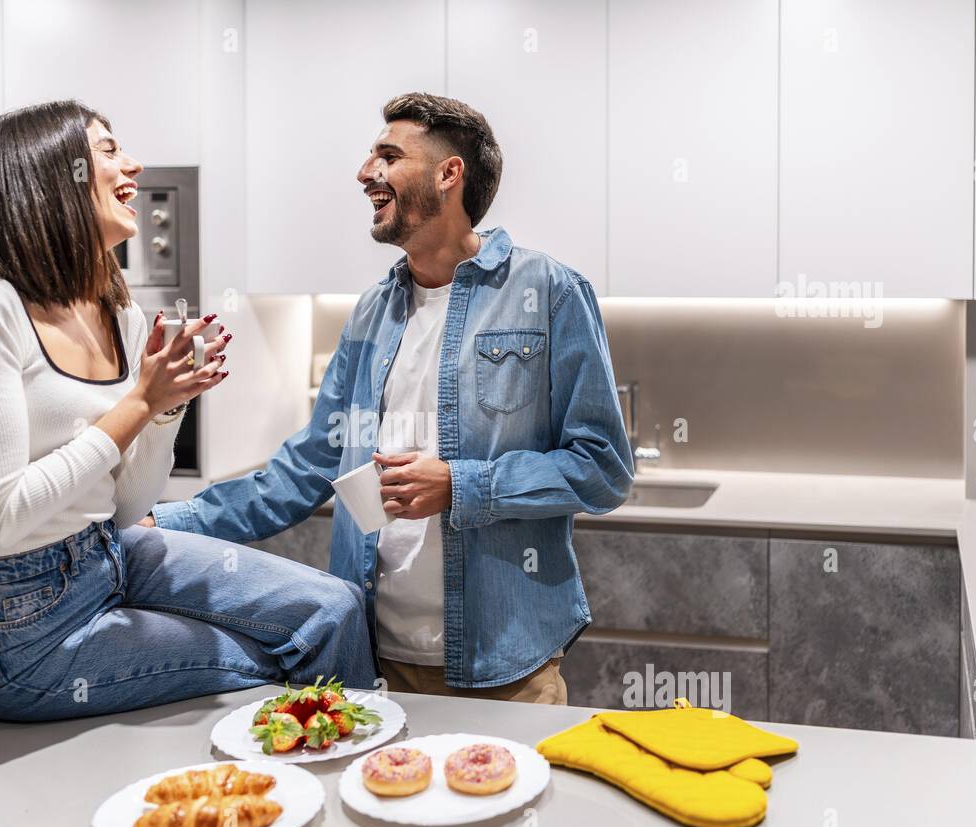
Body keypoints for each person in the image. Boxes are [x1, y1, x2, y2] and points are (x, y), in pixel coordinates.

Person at [148, 93, 632, 704]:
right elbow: (308, 466)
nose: (364, 173)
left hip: (506, 667)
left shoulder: (549, 291)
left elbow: (603, 469)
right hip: (371, 658)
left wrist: (460, 484)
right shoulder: (374, 311)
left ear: (448, 174)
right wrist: (168, 522)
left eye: (387, 155)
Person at [0, 100, 376, 722]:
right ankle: (301, 791)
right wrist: (140, 403)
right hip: (19, 630)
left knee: (334, 610)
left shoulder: (119, 314)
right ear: (49, 176)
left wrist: (166, 409)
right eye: (107, 150)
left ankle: (358, 779)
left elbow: (129, 507)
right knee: (280, 664)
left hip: (108, 552)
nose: (132, 163)